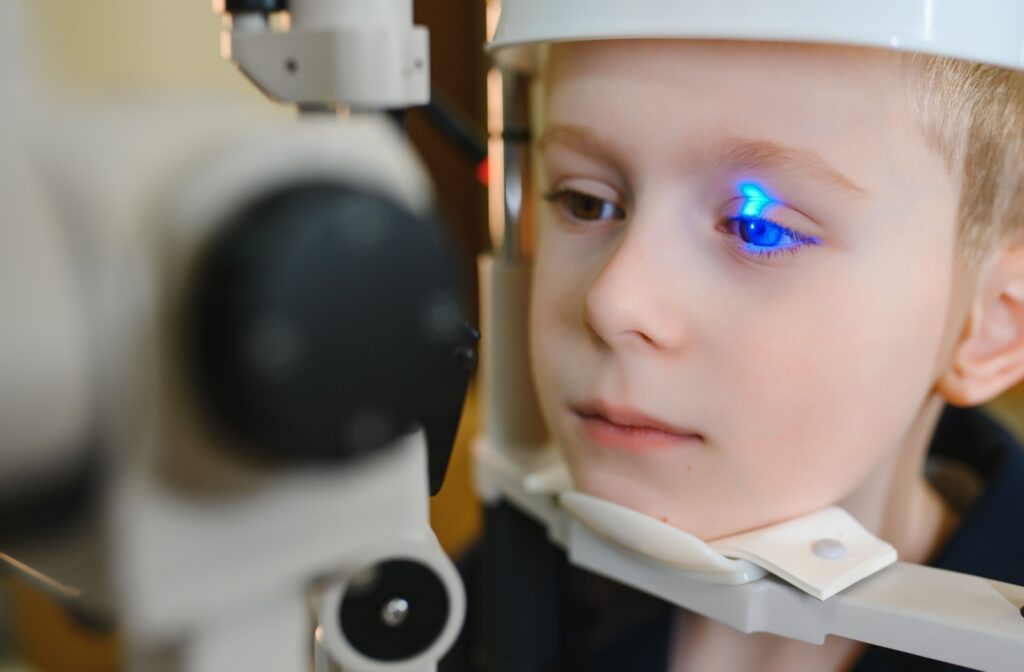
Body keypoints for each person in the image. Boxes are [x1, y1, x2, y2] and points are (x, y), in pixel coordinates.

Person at [446, 33, 1024, 672]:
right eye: (588, 202)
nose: (613, 303)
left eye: (759, 227)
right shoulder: (504, 596)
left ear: (993, 327)